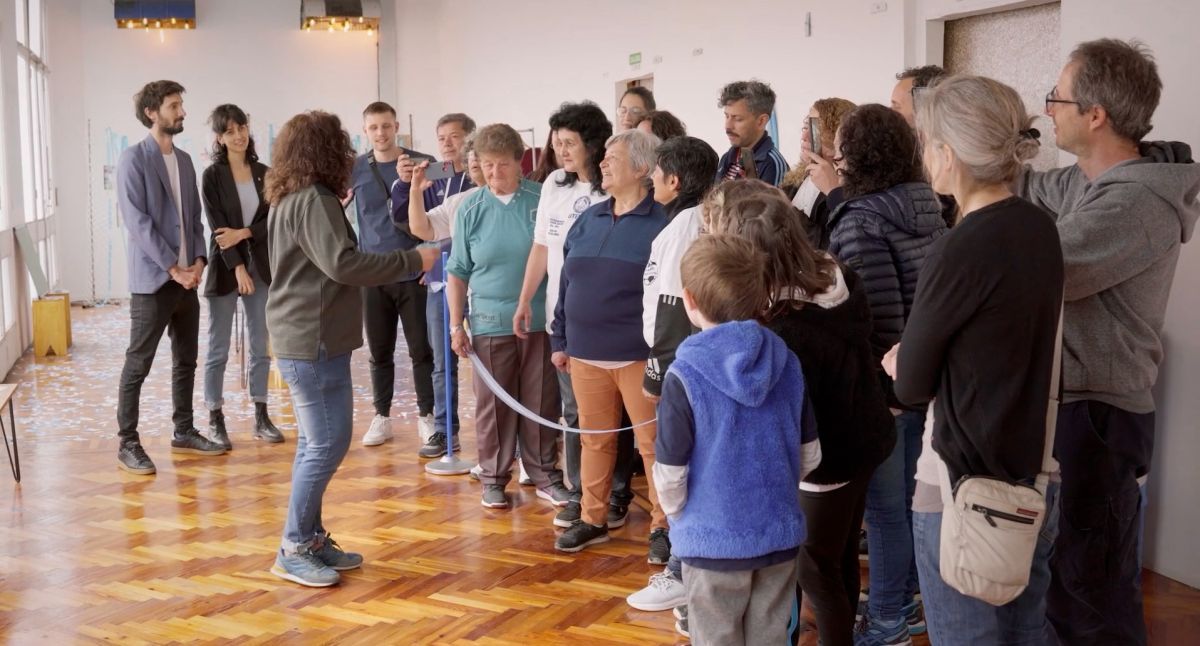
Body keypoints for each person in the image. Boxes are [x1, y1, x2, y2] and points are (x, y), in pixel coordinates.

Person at [1018, 39, 1199, 645]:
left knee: (1091, 590)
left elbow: (1047, 271)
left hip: (1100, 412)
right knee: (1069, 578)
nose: (1049, 110)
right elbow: (1025, 191)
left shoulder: (1135, 201)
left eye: (1057, 98)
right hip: (1078, 404)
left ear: (1095, 114)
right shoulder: (1083, 182)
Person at [885, 73, 1067, 645]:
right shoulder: (1041, 228)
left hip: (963, 487)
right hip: (1035, 473)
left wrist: (899, 360)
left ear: (948, 153)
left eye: (926, 140)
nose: (923, 154)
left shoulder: (959, 246)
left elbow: (911, 388)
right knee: (1025, 634)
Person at [704, 182, 896, 646]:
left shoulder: (786, 327)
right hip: (864, 437)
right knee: (840, 557)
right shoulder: (837, 275)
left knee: (817, 571)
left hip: (825, 460)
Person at [264, 110, 438, 587]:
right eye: (338, 145)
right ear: (321, 152)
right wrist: (412, 259)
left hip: (311, 336)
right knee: (326, 443)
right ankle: (294, 546)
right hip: (309, 339)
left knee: (319, 442)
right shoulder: (312, 199)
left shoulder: (297, 196)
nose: (347, 154)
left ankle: (311, 537)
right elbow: (342, 263)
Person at [655, 234, 817, 646]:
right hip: (778, 535)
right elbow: (809, 454)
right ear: (761, 297)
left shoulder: (684, 374)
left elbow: (671, 473)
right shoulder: (787, 360)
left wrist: (679, 515)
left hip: (712, 541)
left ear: (689, 301)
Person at [825, 103, 947, 646]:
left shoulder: (861, 219)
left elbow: (876, 317)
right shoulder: (929, 203)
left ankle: (890, 616)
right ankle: (912, 598)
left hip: (888, 387)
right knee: (913, 504)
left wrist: (882, 390)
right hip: (927, 374)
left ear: (856, 154)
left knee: (887, 512)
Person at [551, 129, 670, 562]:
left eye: (613, 158)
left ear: (642, 168)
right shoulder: (589, 218)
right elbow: (566, 282)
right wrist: (560, 337)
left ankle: (664, 526)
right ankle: (593, 518)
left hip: (639, 355)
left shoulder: (664, 222)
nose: (602, 164)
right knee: (595, 440)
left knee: (654, 445)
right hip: (584, 353)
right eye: (602, 157)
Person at [447, 123, 572, 510]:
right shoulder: (469, 208)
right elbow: (458, 270)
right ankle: (494, 476)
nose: (495, 174)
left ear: (520, 163)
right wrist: (456, 324)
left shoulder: (540, 199)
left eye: (503, 165)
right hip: (487, 321)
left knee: (540, 400)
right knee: (494, 406)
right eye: (487, 166)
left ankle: (544, 474)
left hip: (538, 319)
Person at [625, 135, 719, 614]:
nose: (650, 179)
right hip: (694, 358)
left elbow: (671, 306)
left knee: (682, 466)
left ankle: (680, 572)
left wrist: (657, 375)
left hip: (682, 361)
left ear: (675, 180)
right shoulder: (694, 218)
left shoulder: (684, 224)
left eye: (656, 171)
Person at [115, 80, 226, 475]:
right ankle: (127, 442)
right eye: (174, 105)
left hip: (187, 280)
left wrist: (198, 261)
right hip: (154, 281)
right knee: (138, 363)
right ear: (152, 112)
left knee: (186, 361)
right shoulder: (133, 159)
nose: (181, 112)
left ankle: (183, 430)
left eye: (180, 105)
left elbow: (194, 218)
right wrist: (172, 267)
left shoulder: (183, 160)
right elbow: (137, 222)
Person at [513, 102, 612, 527]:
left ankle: (615, 494)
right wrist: (524, 300)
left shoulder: (611, 189)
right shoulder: (554, 182)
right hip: (562, 316)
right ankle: (577, 492)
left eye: (570, 143)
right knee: (573, 411)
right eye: (557, 143)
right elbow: (542, 246)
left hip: (605, 317)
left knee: (607, 415)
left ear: (592, 145)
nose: (562, 151)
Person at [348, 102, 436, 452]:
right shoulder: (355, 168)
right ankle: (381, 416)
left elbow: (436, 214)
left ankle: (427, 416)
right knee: (379, 350)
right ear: (365, 130)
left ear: (396, 126)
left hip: (414, 269)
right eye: (374, 128)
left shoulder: (421, 162)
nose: (381, 133)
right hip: (373, 273)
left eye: (386, 126)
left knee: (421, 350)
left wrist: (432, 261)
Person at [389, 111, 477, 457]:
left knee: (491, 363)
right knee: (442, 362)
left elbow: (466, 233)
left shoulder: (480, 179)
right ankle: (444, 430)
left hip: (478, 282)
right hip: (442, 282)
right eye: (441, 138)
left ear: (470, 138)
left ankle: (503, 435)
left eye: (454, 137)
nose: (447, 144)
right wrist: (403, 185)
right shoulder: (434, 177)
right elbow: (411, 222)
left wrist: (436, 251)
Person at [200, 103, 283, 448]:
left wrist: (245, 233)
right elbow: (219, 227)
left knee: (260, 345)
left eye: (242, 128)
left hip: (260, 265)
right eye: (229, 130)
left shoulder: (265, 172)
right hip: (225, 266)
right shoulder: (212, 176)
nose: (238, 135)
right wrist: (236, 267)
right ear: (219, 137)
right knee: (218, 347)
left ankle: (261, 414)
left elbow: (271, 221)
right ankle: (215, 417)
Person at [780, 98, 856, 249]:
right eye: (804, 127)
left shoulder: (850, 183)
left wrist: (788, 212)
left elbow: (827, 244)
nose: (804, 137)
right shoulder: (802, 174)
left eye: (814, 129)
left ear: (837, 134)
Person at [715, 80, 789, 186]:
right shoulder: (728, 157)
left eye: (738, 119)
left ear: (761, 121)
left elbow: (772, 203)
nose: (727, 126)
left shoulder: (772, 165)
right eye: (727, 116)